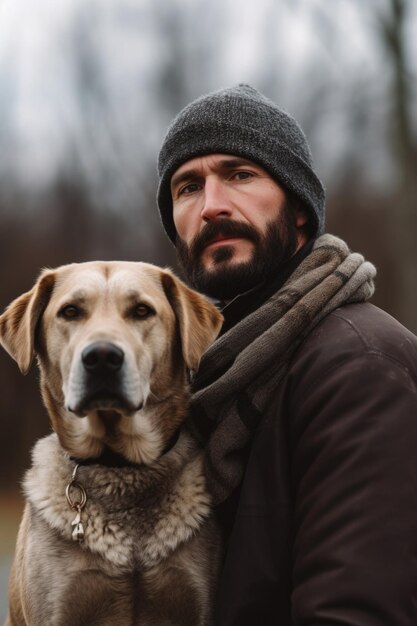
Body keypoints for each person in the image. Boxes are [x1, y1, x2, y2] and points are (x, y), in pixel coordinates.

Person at [156, 84, 417, 625]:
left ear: (299, 209)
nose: (212, 206)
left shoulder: (358, 367)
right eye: (187, 187)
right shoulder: (207, 379)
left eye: (240, 175)